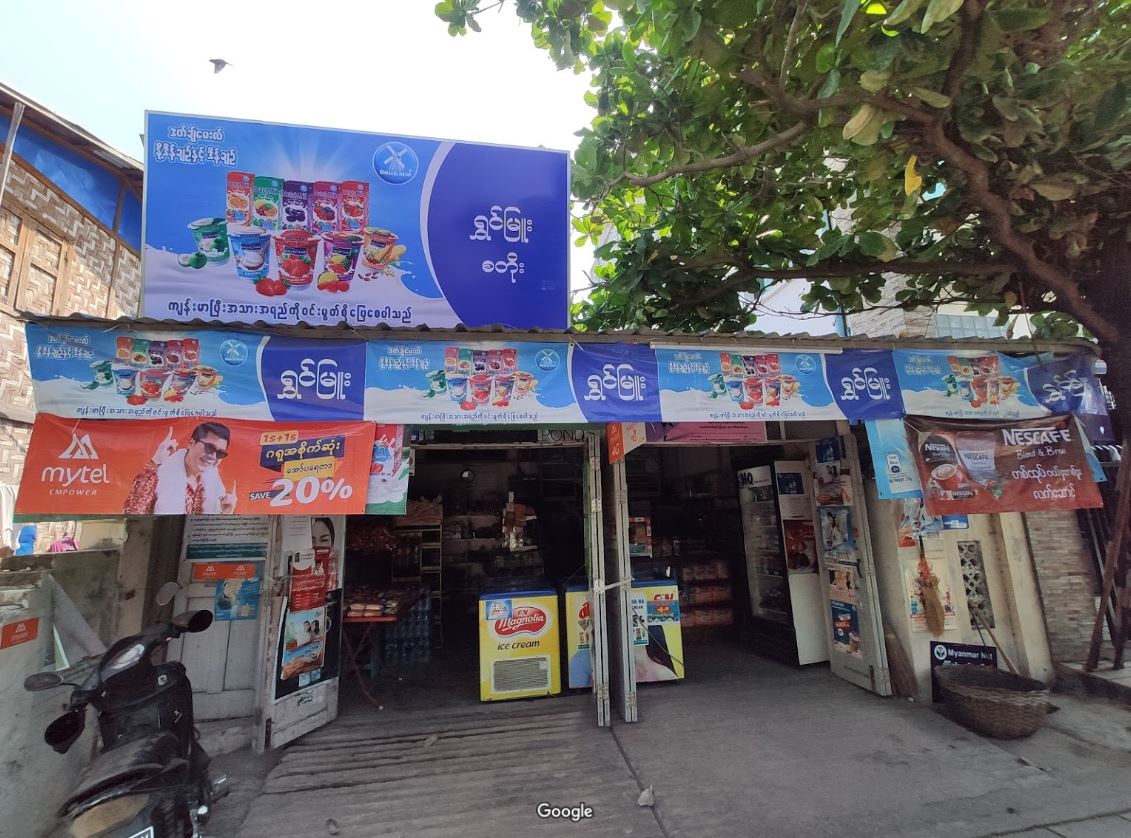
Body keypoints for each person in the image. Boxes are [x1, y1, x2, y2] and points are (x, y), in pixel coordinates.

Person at [124, 423, 237, 515]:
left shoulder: (216, 488)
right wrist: (155, 462)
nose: (213, 456)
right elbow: (132, 515)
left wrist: (226, 514)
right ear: (191, 443)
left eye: (220, 453)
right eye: (209, 447)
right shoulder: (159, 475)